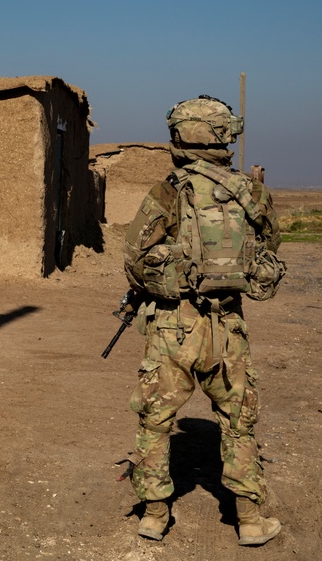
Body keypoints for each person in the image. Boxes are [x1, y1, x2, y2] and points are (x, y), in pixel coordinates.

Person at [122, 95, 286, 545]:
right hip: (227, 327)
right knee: (238, 423)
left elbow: (134, 261)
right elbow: (269, 249)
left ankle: (154, 514)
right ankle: (250, 521)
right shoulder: (250, 192)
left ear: (178, 134)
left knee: (155, 421)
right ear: (225, 135)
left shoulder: (166, 191)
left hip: (174, 327)